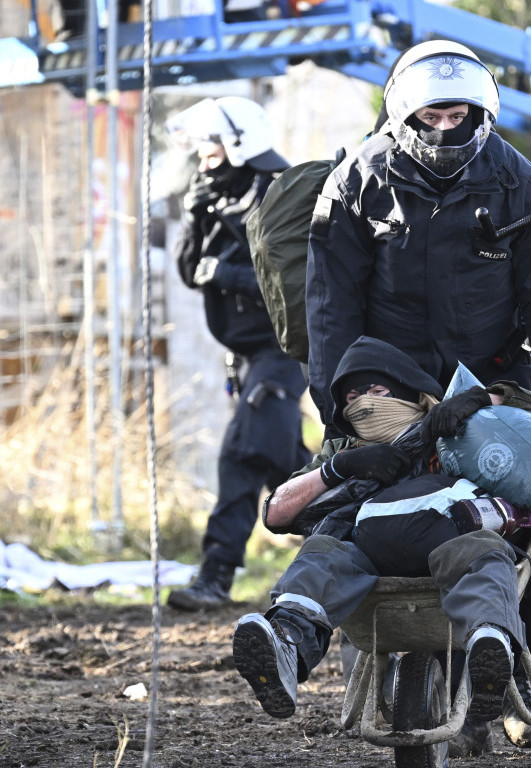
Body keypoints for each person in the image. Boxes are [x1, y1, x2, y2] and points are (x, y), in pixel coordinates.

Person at [234, 336, 531, 752]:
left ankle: (492, 649)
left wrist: (483, 399)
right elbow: (276, 513)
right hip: (372, 563)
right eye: (351, 397)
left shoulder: (459, 427)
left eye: (378, 390)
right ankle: (286, 642)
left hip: (455, 548)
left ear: (410, 391)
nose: (364, 403)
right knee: (322, 555)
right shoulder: (344, 449)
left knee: (483, 554)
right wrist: (339, 468)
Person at [307, 39, 531, 441]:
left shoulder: (522, 184)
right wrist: (337, 418)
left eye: (457, 116)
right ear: (406, 113)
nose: (444, 129)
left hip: (490, 388)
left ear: (479, 113)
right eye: (431, 116)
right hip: (387, 390)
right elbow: (331, 309)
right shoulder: (356, 184)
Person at [165, 96, 310, 612]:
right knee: (284, 462)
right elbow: (190, 271)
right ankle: (351, 540)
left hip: (284, 350)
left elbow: (298, 279)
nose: (203, 160)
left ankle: (216, 575)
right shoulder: (215, 197)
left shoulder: (280, 193)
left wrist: (227, 274)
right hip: (245, 357)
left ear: (240, 144)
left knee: (242, 452)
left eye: (212, 149)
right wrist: (193, 215)